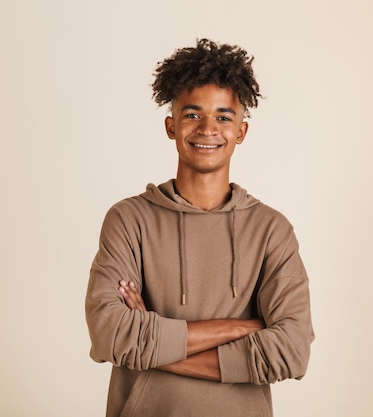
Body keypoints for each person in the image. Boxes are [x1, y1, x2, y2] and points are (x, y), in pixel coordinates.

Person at [85, 38, 315, 417]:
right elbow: (110, 333)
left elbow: (291, 352)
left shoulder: (271, 230)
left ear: (241, 131)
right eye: (193, 115)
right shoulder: (129, 220)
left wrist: (152, 346)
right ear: (171, 126)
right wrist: (238, 327)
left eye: (224, 117)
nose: (208, 128)